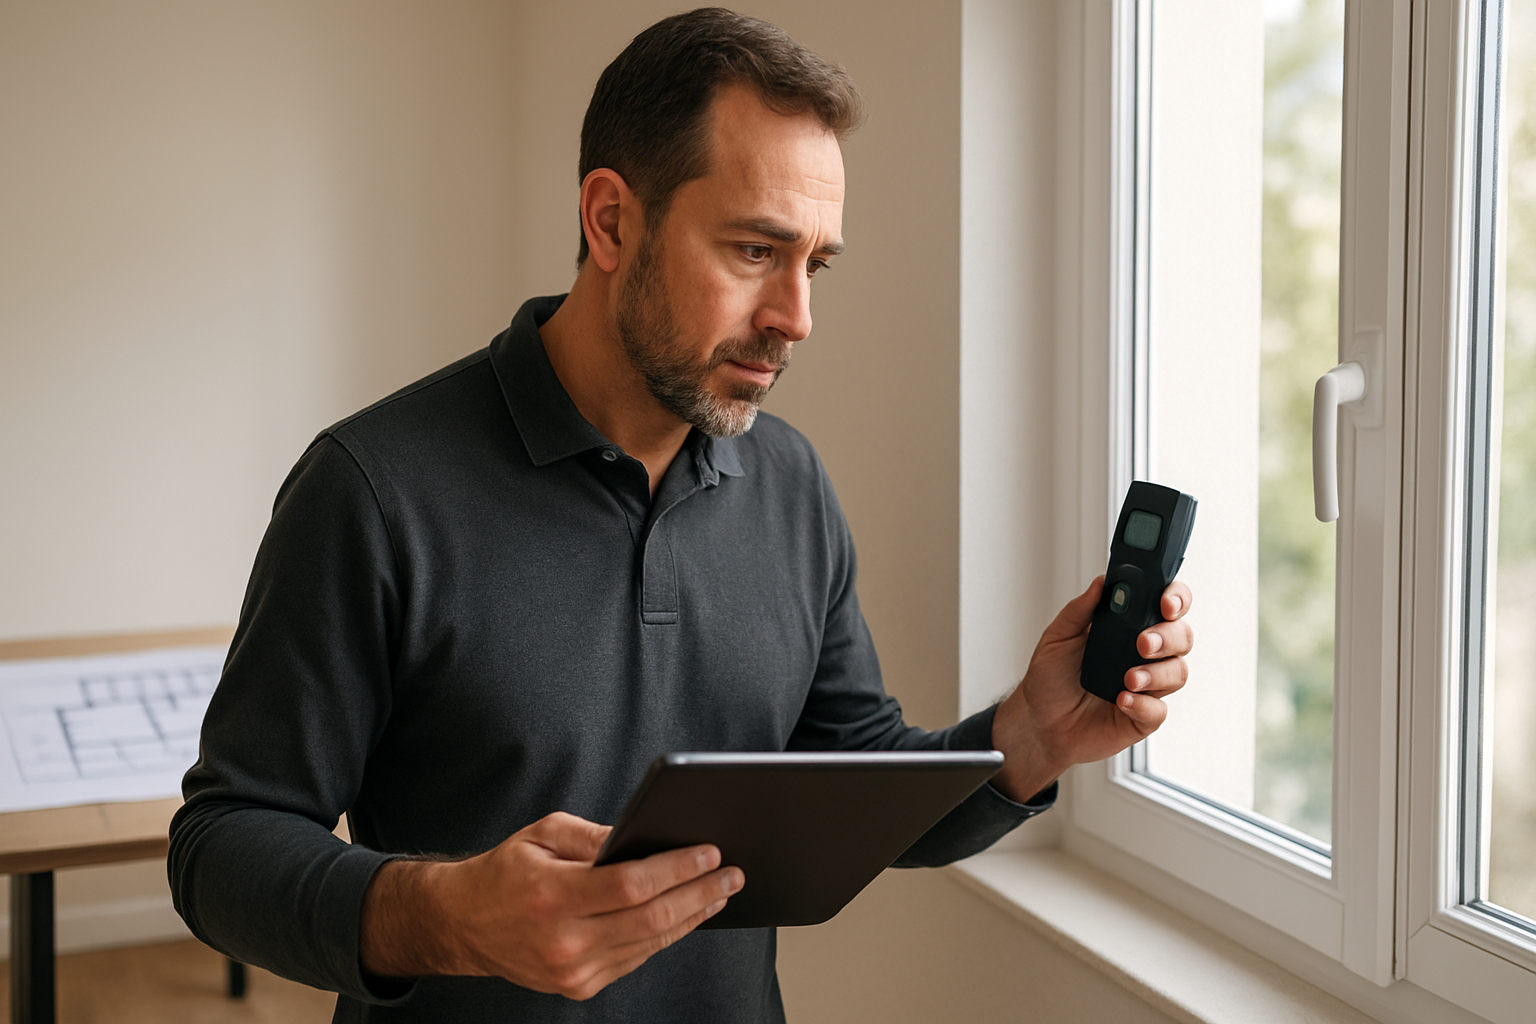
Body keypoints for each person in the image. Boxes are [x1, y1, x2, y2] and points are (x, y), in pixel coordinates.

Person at [168, 8, 1193, 1023]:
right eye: (756, 251)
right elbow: (223, 842)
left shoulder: (790, 483)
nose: (797, 315)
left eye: (815, 263)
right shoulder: (373, 488)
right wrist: (442, 914)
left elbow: (848, 781)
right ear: (611, 220)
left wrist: (1029, 736)